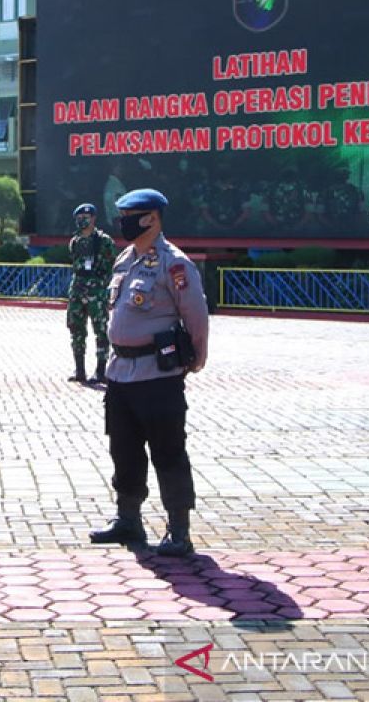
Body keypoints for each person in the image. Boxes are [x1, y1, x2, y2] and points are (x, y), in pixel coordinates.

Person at [89, 188, 210, 557]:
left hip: (158, 377)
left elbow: (196, 316)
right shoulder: (125, 259)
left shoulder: (174, 264)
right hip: (120, 374)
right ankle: (128, 518)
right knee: (123, 449)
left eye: (132, 215)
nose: (123, 221)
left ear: (152, 219)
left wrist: (197, 358)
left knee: (168, 452)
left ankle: (179, 531)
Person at [66, 203, 117, 383]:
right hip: (77, 289)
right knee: (76, 329)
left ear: (93, 219)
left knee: (101, 330)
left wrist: (106, 288)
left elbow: (114, 266)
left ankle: (101, 371)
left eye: (85, 218)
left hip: (97, 290)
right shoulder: (75, 241)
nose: (82, 221)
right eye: (79, 219)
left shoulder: (105, 241)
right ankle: (79, 370)